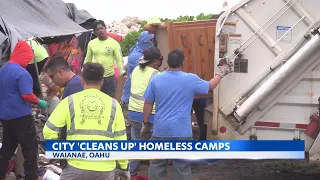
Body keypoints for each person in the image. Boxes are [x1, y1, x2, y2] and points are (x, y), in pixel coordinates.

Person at [141, 49, 233, 180]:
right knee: (182, 167)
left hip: (160, 131)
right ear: (183, 62)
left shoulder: (157, 79)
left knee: (156, 165)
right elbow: (210, 86)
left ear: (167, 62)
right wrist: (221, 73)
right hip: (182, 132)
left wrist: (146, 124)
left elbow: (148, 103)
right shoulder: (190, 79)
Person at [43, 62, 130, 180]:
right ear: (102, 82)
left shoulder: (70, 101)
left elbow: (48, 130)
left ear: (82, 81)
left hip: (75, 167)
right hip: (104, 169)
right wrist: (124, 167)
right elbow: (120, 139)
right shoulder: (114, 105)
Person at [0, 41, 49, 180]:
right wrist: (39, 102)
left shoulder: (2, 70)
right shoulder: (22, 73)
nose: (28, 62)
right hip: (21, 116)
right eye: (28, 59)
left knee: (8, 146)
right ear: (24, 56)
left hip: (5, 116)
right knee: (31, 146)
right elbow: (26, 94)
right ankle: (31, 176)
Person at [128, 47, 163, 177]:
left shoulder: (136, 69)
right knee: (154, 146)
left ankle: (132, 174)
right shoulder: (156, 75)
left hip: (133, 113)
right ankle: (153, 175)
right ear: (154, 61)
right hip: (149, 115)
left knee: (136, 143)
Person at [83, 20, 123, 98]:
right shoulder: (92, 43)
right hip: (95, 77)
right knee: (95, 98)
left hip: (109, 78)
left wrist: (121, 75)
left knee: (110, 99)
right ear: (95, 32)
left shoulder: (114, 43)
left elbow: (119, 60)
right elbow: (88, 59)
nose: (100, 30)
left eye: (102, 28)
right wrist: (84, 72)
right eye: (97, 29)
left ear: (105, 28)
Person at [120, 31, 154, 113]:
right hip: (130, 100)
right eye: (150, 40)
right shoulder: (135, 55)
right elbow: (148, 68)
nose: (152, 43)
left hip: (140, 98)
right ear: (143, 42)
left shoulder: (144, 52)